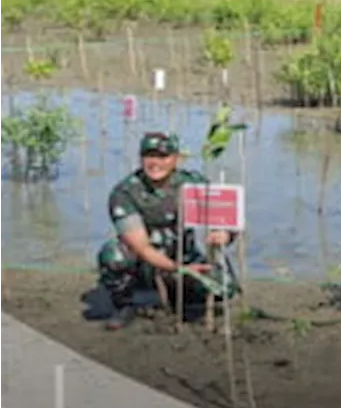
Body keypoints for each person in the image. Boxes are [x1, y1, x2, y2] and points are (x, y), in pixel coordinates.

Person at [89, 132, 238, 330]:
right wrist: (176, 267)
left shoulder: (192, 183)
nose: (155, 163)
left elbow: (226, 219)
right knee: (113, 255)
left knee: (225, 287)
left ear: (176, 158)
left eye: (163, 156)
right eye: (149, 156)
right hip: (144, 265)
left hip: (184, 257)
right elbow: (141, 247)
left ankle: (179, 296)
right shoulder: (125, 192)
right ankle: (124, 305)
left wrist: (225, 235)